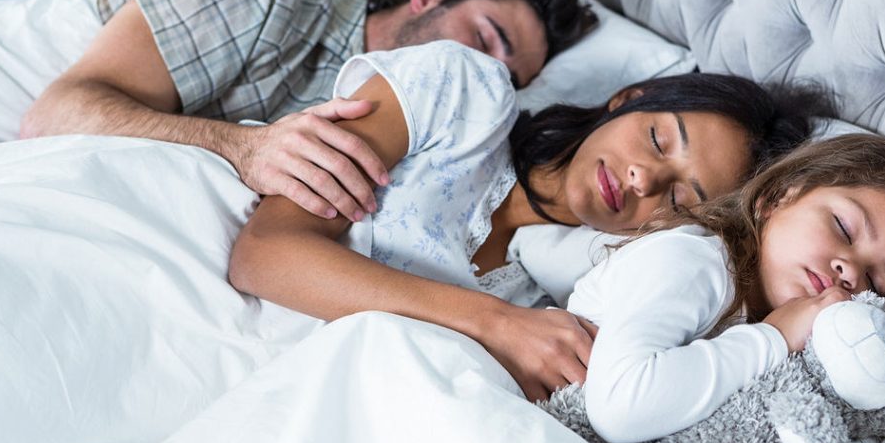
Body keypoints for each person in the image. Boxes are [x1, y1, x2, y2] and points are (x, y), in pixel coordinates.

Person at [226, 39, 834, 399]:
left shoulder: (565, 296)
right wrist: (495, 323)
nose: (643, 179)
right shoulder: (463, 93)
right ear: (627, 100)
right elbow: (265, 253)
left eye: (677, 199)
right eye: (655, 137)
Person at [565, 133, 885, 443]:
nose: (849, 269)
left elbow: (683, 437)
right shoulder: (697, 261)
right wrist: (773, 335)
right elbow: (621, 407)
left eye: (872, 278)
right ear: (776, 198)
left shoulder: (783, 341)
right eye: (844, 230)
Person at [19, 0, 596, 221]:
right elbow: (54, 115)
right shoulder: (266, 1)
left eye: (506, 77)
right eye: (485, 40)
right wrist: (243, 148)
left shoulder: (431, 134)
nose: (484, 75)